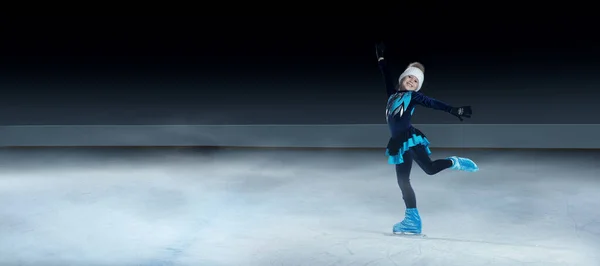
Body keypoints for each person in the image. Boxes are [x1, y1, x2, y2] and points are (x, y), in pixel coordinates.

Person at [375, 43, 479, 235]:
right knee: (403, 180)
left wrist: (452, 109)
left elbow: (432, 103)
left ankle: (455, 162)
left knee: (429, 169)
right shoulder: (392, 94)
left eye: (416, 81)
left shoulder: (413, 97)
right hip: (398, 143)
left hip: (409, 138)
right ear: (403, 78)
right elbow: (385, 77)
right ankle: (411, 220)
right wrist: (381, 59)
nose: (412, 82)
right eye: (410, 78)